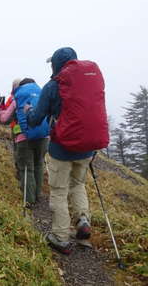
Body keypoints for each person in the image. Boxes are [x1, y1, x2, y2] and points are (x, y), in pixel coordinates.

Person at [25, 47, 109, 254]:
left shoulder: (53, 86)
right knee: (78, 185)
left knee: (60, 191)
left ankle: (60, 236)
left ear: (55, 64)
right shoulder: (90, 83)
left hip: (61, 149)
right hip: (87, 149)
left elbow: (36, 120)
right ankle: (82, 222)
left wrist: (28, 112)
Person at [0, 78, 49, 206]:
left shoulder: (18, 97)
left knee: (27, 168)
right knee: (38, 165)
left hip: (24, 138)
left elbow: (4, 119)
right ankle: (38, 195)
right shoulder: (42, 94)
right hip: (43, 138)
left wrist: (1, 111)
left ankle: (29, 200)